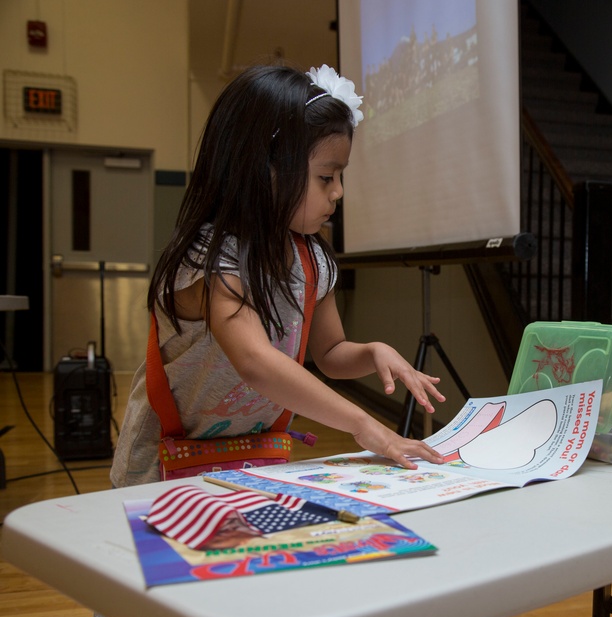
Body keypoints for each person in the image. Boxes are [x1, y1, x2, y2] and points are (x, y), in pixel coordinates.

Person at [112, 64, 446, 489]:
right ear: (264, 169)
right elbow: (255, 362)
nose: (338, 191)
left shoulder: (313, 260)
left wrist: (371, 352)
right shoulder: (214, 257)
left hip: (252, 460)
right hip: (162, 465)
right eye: (326, 176)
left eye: (340, 176)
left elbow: (331, 352)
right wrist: (365, 425)